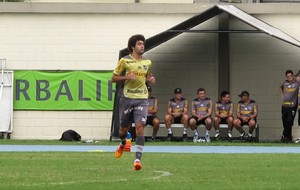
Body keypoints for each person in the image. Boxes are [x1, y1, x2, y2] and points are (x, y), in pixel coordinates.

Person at [111, 34, 155, 171]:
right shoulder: (124, 61)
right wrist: (126, 77)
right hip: (127, 98)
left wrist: (150, 80)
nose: (142, 46)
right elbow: (113, 78)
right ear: (132, 46)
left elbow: (147, 77)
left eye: (143, 44)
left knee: (140, 126)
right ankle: (123, 143)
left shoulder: (147, 63)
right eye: (139, 44)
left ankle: (137, 159)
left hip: (142, 98)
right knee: (123, 130)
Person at [280, 70, 299, 143]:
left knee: (289, 122)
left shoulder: (296, 83)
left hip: (292, 106)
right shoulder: (285, 83)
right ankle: (287, 137)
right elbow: (280, 87)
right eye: (288, 76)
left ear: (293, 75)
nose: (289, 77)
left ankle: (285, 135)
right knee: (285, 122)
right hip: (284, 105)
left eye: (290, 76)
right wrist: (282, 95)